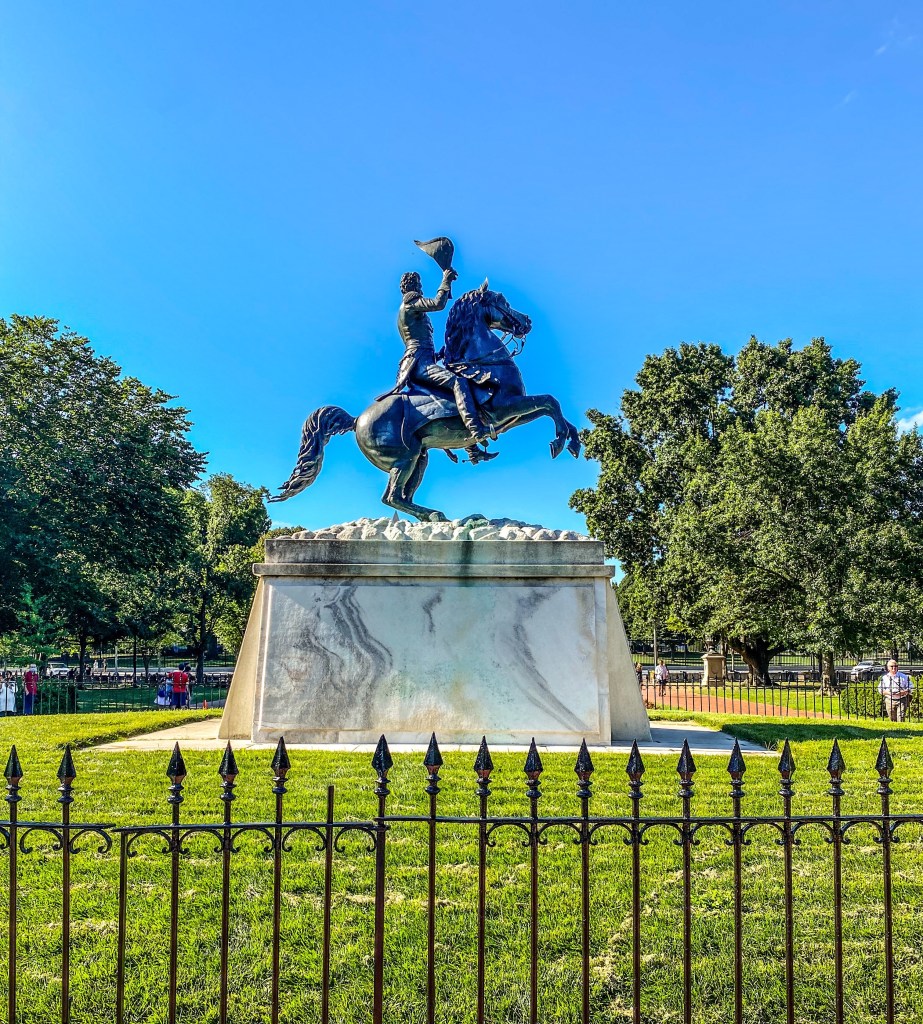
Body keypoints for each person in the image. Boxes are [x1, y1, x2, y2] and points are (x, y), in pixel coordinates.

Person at [378, 267, 494, 451]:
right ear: (412, 286)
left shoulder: (410, 309)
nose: (421, 287)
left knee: (451, 391)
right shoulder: (410, 302)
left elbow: (420, 342)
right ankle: (476, 430)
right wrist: (446, 280)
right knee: (458, 382)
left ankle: (471, 449)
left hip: (423, 360)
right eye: (419, 284)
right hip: (419, 364)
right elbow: (438, 304)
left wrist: (440, 354)